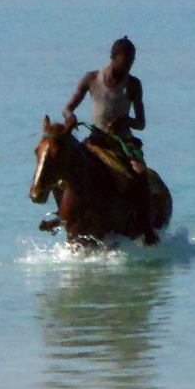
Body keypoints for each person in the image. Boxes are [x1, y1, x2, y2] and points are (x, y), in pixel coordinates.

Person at [63, 36, 160, 245]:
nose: (127, 67)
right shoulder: (91, 79)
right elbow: (68, 107)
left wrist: (125, 120)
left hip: (123, 143)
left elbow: (141, 123)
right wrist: (70, 117)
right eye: (124, 62)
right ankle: (63, 214)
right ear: (113, 58)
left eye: (131, 63)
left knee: (140, 174)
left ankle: (146, 227)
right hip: (96, 141)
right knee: (67, 167)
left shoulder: (133, 85)